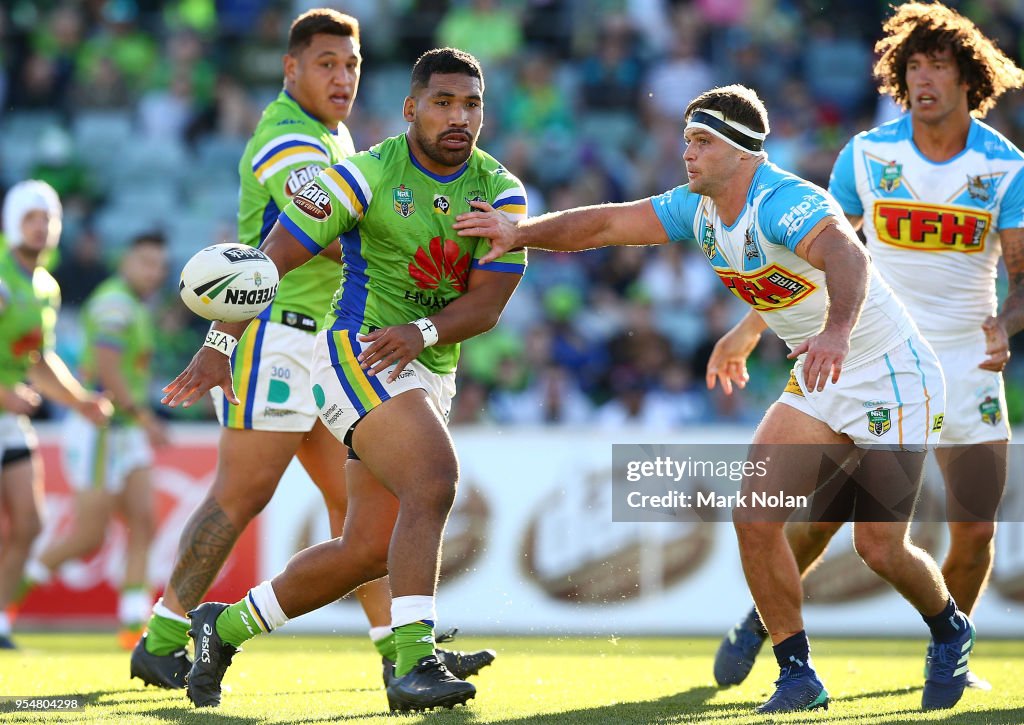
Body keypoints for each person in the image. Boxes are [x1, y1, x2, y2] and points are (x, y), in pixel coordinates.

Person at [454, 84, 976, 713]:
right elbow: (606, 223)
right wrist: (520, 232)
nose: (688, 154)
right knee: (754, 518)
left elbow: (847, 256)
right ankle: (797, 672)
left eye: (702, 142)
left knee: (878, 547)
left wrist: (835, 331)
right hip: (820, 374)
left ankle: (951, 631)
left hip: (894, 375)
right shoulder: (696, 208)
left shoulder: (784, 201)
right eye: (686, 142)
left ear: (743, 152)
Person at [162, 48, 527, 712]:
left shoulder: (502, 192)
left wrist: (421, 334)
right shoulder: (360, 176)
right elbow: (271, 257)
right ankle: (415, 661)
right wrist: (220, 343)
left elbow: (487, 305)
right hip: (353, 353)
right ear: (411, 108)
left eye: (472, 104)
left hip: (424, 362)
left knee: (365, 549)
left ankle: (223, 625)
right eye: (443, 102)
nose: (460, 117)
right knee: (434, 479)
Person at [711, 1, 1024, 695]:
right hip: (877, 357)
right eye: (913, 66)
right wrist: (752, 324)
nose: (924, 79)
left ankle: (952, 645)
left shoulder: (1005, 168)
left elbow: (1023, 273)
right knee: (828, 522)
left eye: (939, 66)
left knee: (974, 533)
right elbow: (815, 256)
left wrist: (1008, 319)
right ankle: (766, 620)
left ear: (969, 78)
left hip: (968, 362)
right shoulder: (868, 154)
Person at [128, 8, 409, 691]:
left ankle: (403, 654)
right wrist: (222, 337)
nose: (342, 77)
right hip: (276, 337)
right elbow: (301, 230)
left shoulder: (334, 138)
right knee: (243, 492)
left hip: (327, 342)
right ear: (291, 69)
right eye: (326, 64)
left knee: (361, 506)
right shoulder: (287, 138)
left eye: (352, 65)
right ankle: (163, 636)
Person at [22, 232, 170, 650]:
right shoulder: (115, 304)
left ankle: (132, 629)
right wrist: (146, 417)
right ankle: (11, 594)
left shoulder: (135, 304)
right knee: (89, 535)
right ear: (125, 261)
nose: (153, 272)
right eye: (145, 261)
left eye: (158, 264)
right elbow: (107, 371)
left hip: (124, 429)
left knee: (144, 521)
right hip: (101, 428)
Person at [0, 180, 112, 648]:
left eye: (48, 218)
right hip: (6, 406)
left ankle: (1, 624)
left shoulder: (44, 287)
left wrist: (79, 400)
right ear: (11, 223)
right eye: (32, 217)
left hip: (9, 419)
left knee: (30, 523)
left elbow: (39, 361)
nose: (41, 227)